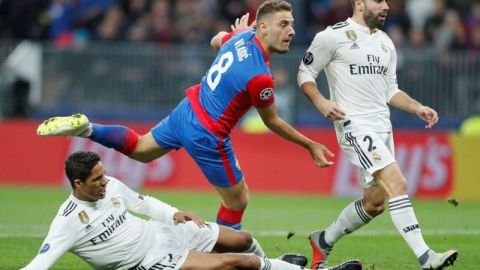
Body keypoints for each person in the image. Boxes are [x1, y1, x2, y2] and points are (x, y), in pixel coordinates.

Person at [36, 0, 334, 230]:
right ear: (264, 28)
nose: (292, 31)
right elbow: (272, 122)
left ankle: (87, 128)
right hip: (208, 133)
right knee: (237, 199)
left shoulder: (240, 39)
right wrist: (310, 144)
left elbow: (215, 40)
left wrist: (236, 33)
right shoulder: (261, 77)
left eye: (292, 24)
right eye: (284, 24)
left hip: (188, 109)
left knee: (141, 149)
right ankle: (223, 255)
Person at [297, 0, 458, 269]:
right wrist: (322, 102)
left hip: (383, 127)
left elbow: (391, 91)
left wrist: (418, 107)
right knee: (397, 182)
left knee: (375, 203)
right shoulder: (331, 36)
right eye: (378, 0)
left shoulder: (385, 41)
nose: (385, 6)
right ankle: (426, 257)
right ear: (359, 3)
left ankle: (322, 241)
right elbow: (305, 73)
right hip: (354, 126)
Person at [22, 151, 362, 270]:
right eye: (96, 180)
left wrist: (173, 214)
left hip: (163, 232)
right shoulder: (68, 222)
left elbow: (142, 203)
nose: (105, 183)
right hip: (151, 260)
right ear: (77, 184)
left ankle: (277, 265)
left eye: (102, 175)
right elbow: (40, 264)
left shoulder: (110, 185)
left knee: (242, 240)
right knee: (239, 263)